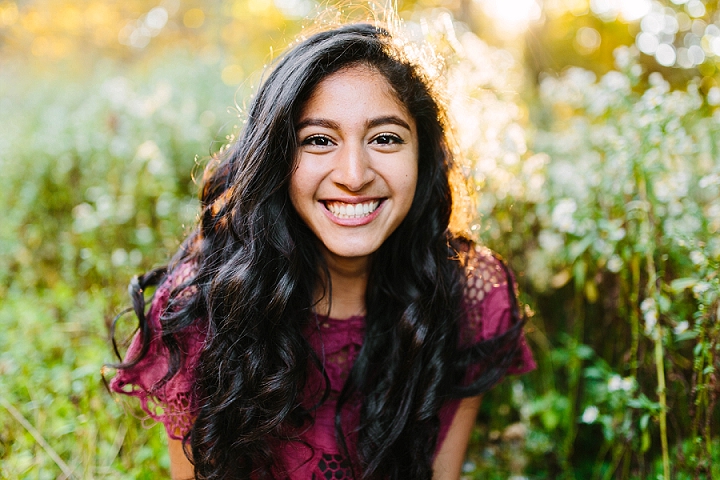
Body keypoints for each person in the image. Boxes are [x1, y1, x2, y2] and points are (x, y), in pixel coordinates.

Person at [109, 22, 536, 480]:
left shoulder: (468, 295)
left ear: (422, 155)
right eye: (319, 140)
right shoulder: (199, 311)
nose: (354, 174)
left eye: (385, 138)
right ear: (276, 157)